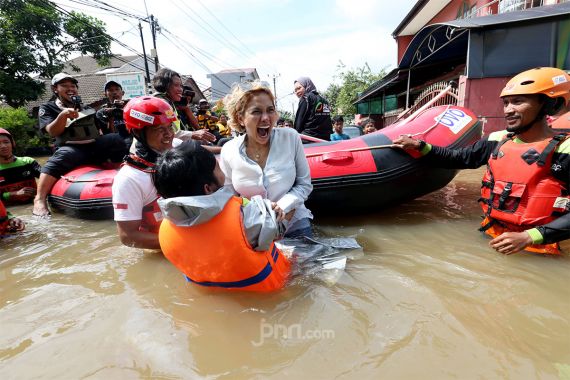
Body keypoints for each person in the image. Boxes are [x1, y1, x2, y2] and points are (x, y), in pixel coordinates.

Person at [393, 67, 570, 255]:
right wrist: (420, 146)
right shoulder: (497, 140)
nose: (508, 110)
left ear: (549, 104)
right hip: (491, 236)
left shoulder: (565, 150)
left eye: (518, 102)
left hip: (540, 249)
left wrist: (530, 237)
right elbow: (459, 158)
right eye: (506, 103)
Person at [153, 141, 290, 291]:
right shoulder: (245, 216)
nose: (220, 166)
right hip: (272, 295)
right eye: (217, 167)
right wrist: (271, 209)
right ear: (208, 188)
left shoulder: (164, 231)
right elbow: (278, 228)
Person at [221, 81, 314, 238]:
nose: (265, 118)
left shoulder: (290, 138)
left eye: (270, 110)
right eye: (256, 112)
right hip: (253, 228)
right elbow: (229, 197)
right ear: (241, 118)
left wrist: (282, 207)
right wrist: (259, 211)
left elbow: (304, 185)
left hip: (294, 222)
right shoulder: (229, 150)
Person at [33, 73, 128, 217]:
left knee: (119, 139)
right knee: (61, 157)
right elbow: (51, 131)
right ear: (55, 89)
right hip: (71, 147)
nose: (70, 89)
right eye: (64, 86)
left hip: (94, 145)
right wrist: (63, 115)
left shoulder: (85, 107)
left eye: (73, 86)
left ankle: (125, 175)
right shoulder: (48, 107)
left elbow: (101, 131)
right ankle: (39, 199)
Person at [112, 96, 178, 249]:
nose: (169, 135)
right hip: (162, 247)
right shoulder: (129, 178)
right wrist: (182, 243)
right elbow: (128, 236)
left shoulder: (176, 149)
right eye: (160, 129)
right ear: (137, 133)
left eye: (170, 127)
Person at [152, 68, 215, 145]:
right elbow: (170, 134)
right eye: (176, 85)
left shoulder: (168, 102)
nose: (181, 90)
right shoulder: (161, 103)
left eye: (181, 86)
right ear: (164, 86)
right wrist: (194, 134)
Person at [0, 128, 41, 205]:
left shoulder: (28, 162)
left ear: (12, 144)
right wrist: (14, 194)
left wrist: (40, 192)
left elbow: (46, 179)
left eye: (6, 142)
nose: (3, 146)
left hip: (33, 204)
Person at [95, 80, 132, 150]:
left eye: (117, 89)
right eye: (110, 90)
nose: (114, 92)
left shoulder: (130, 108)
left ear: (123, 93)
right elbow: (108, 135)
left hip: (131, 140)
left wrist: (123, 110)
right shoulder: (102, 112)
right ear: (105, 94)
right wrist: (110, 117)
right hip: (114, 144)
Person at [293, 77, 332, 141]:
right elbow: (328, 123)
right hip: (325, 140)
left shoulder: (305, 98)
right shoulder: (324, 100)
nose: (297, 92)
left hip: (308, 139)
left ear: (306, 85)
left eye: (299, 88)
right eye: (295, 90)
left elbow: (298, 124)